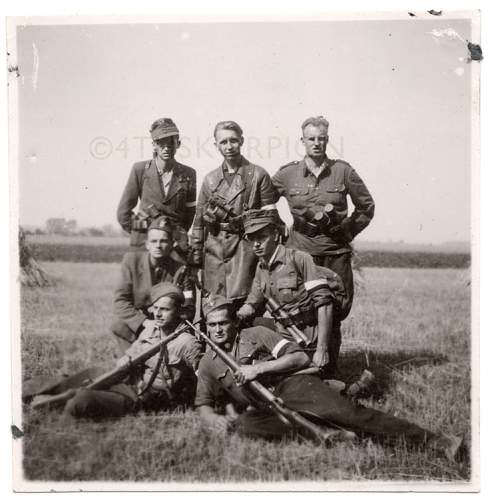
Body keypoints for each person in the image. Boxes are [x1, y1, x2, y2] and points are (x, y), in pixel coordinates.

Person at [195, 296, 462, 461]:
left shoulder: (256, 334)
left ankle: (437, 441)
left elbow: (299, 358)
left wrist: (260, 369)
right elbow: (203, 403)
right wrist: (212, 418)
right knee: (243, 426)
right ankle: (331, 432)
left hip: (293, 386)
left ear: (233, 323)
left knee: (351, 414)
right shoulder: (208, 363)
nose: (218, 329)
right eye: (213, 324)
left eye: (223, 323)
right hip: (268, 407)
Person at [271, 116, 375, 374]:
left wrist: (346, 231)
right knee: (299, 308)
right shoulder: (287, 174)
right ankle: (299, 369)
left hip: (334, 253)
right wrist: (279, 229)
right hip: (301, 252)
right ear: (302, 141)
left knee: (335, 311)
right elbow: (263, 200)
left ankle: (330, 369)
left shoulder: (343, 171)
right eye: (311, 139)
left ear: (328, 140)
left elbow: (366, 206)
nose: (316, 143)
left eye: (321, 138)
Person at [65, 283, 203, 419]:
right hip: (134, 387)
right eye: (155, 308)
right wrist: (125, 361)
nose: (158, 314)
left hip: (150, 401)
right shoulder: (150, 331)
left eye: (165, 309)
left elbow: (203, 378)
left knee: (80, 400)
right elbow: (129, 357)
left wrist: (201, 407)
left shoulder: (187, 342)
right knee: (84, 380)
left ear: (178, 311)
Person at [237, 209, 348, 376]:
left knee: (300, 379)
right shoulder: (262, 267)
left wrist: (322, 349)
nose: (256, 244)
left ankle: (349, 386)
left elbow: (325, 306)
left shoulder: (299, 259)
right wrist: (231, 316)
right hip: (286, 335)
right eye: (252, 239)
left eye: (261, 237)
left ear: (275, 235)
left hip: (310, 339)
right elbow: (252, 303)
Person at [190, 121, 276, 308]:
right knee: (214, 310)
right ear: (216, 145)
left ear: (242, 141)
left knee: (245, 308)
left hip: (245, 250)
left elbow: (271, 220)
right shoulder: (210, 179)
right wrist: (196, 257)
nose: (229, 147)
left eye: (233, 141)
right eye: (223, 142)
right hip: (214, 251)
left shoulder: (258, 175)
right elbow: (198, 221)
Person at [111, 216, 195, 354]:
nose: (158, 245)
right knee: (128, 367)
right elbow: (120, 301)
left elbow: (188, 306)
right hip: (135, 326)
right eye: (153, 241)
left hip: (166, 326)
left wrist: (166, 323)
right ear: (147, 244)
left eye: (163, 241)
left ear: (172, 244)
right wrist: (144, 322)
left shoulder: (181, 269)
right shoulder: (131, 262)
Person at [117, 117, 196, 252]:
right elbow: (123, 213)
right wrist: (143, 232)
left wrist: (175, 235)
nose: (166, 148)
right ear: (154, 144)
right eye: (161, 143)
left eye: (171, 143)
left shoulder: (189, 173)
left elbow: (190, 213)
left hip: (174, 245)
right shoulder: (140, 170)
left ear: (179, 144)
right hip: (144, 244)